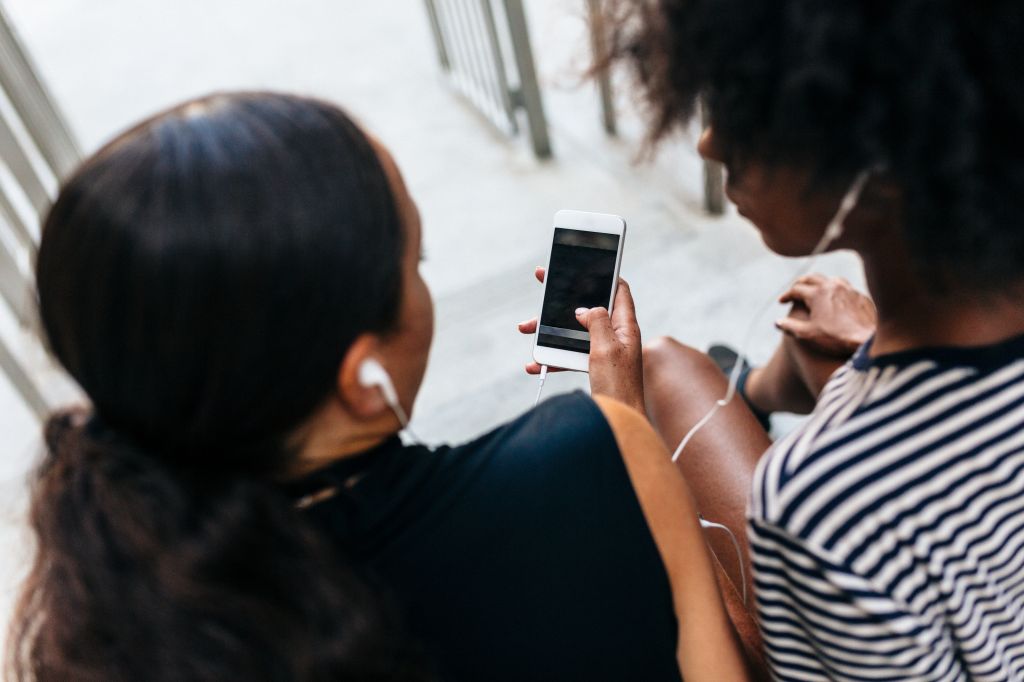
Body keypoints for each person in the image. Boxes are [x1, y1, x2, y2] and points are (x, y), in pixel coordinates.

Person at [9, 92, 750, 681]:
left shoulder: (102, 615)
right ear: (363, 380)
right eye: (416, 263)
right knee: (683, 372)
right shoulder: (587, 456)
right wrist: (622, 428)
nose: (424, 287)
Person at [594, 0, 1024, 679]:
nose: (709, 142)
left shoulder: (820, 500)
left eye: (754, 106)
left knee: (662, 373)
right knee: (745, 348)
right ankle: (758, 391)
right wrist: (876, 341)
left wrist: (627, 437)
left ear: (879, 169)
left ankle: (735, 395)